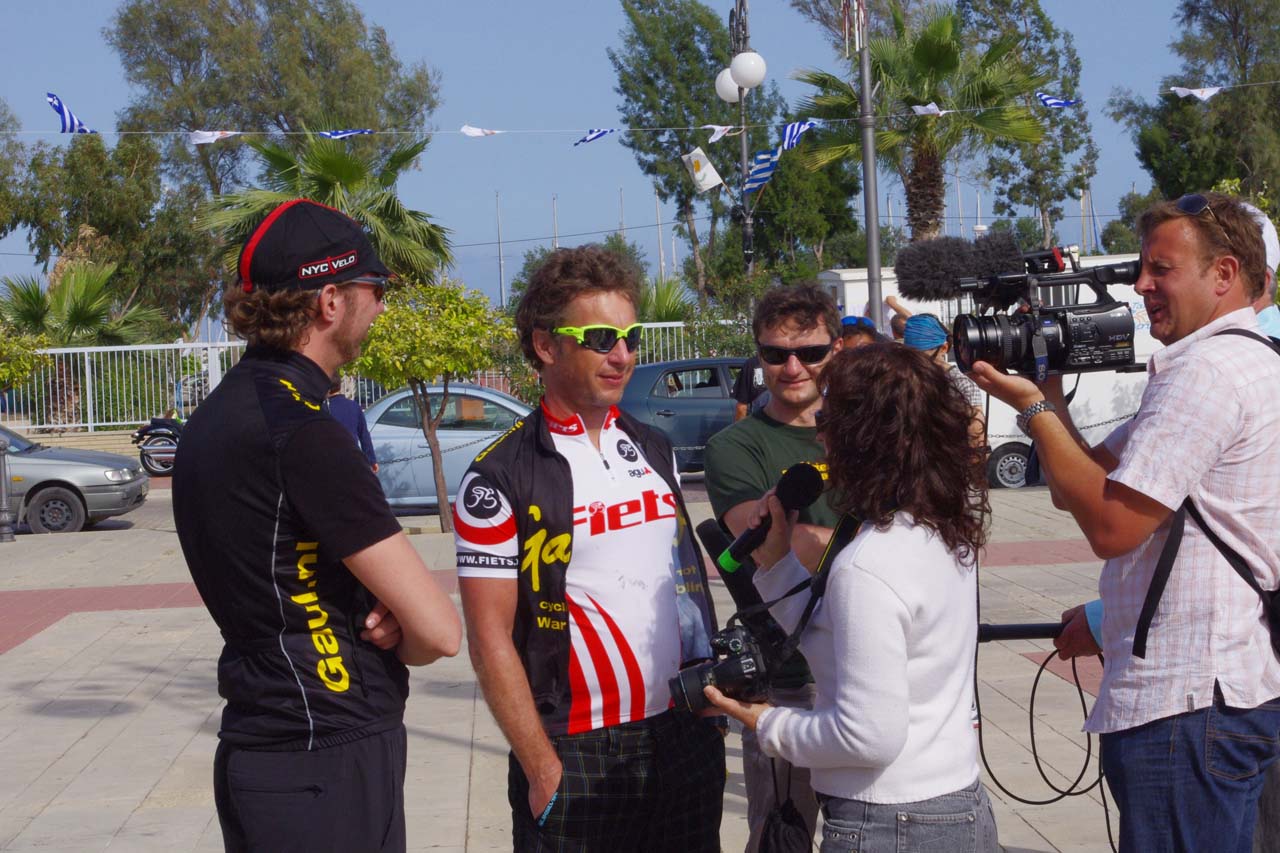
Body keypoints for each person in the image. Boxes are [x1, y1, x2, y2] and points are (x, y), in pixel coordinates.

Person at [975, 192, 1280, 851]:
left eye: (1161, 269)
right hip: (1217, 694)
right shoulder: (1244, 362)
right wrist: (1048, 390)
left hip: (1188, 699)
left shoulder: (1207, 372)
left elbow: (1111, 525)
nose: (1142, 285)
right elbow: (1077, 487)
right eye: (1143, 269)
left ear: (1223, 274)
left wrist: (1029, 409)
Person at [172, 199, 462, 853]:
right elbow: (440, 632)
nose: (381, 306)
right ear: (330, 300)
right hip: (328, 761)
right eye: (375, 288)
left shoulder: (214, 419)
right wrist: (398, 626)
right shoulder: (306, 431)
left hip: (259, 745)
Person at [455, 245, 725, 852]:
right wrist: (540, 763)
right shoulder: (499, 475)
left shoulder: (655, 448)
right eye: (601, 337)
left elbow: (683, 585)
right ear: (546, 345)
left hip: (683, 733)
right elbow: (489, 637)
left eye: (630, 337)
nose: (623, 355)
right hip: (574, 745)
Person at [705, 342, 998, 853]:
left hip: (891, 823)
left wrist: (764, 721)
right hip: (954, 802)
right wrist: (775, 565)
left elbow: (867, 738)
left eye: (827, 419)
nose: (818, 435)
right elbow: (836, 650)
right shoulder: (938, 530)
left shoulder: (870, 565)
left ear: (858, 437)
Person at [704, 283, 844, 852]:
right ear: (757, 356)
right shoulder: (735, 446)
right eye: (775, 353)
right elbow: (767, 547)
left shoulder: (868, 433)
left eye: (809, 352)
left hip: (879, 671)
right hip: (789, 683)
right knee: (780, 838)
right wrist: (886, 543)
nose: (793, 367)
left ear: (835, 349)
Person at [902, 313, 986, 443]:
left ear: (943, 348)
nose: (916, 364)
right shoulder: (905, 379)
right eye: (910, 358)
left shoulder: (961, 384)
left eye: (922, 358)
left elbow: (977, 436)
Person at [325, 380, 378, 470]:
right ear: (340, 386)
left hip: (331, 460)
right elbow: (364, 435)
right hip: (353, 457)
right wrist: (371, 460)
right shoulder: (354, 406)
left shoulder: (324, 408)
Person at [732, 354, 769, 420]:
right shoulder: (790, 361)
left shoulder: (751, 364)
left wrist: (739, 429)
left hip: (759, 424)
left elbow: (742, 408)